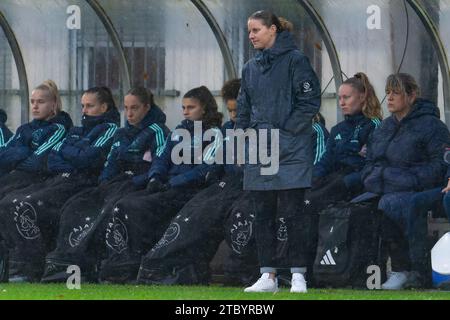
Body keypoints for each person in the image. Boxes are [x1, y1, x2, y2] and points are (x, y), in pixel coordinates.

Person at [41, 87, 169, 283]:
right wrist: (103, 182)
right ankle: (65, 261)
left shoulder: (158, 131)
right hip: (113, 184)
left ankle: (106, 265)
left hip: (137, 185)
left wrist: (146, 179)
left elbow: (159, 161)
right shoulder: (122, 132)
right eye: (126, 108)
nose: (130, 113)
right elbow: (110, 163)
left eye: (134, 108)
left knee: (110, 210)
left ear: (147, 107)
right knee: (75, 205)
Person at [99, 86, 223, 283]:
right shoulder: (178, 131)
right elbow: (162, 158)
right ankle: (123, 263)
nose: (185, 112)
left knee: (134, 207)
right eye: (183, 107)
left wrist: (175, 182)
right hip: (167, 187)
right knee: (123, 204)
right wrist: (156, 177)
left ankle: (135, 264)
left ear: (205, 109)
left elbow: (205, 169)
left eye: (191, 107)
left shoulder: (215, 134)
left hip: (190, 192)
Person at [236, 10, 321, 293]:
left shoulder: (297, 61)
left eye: (256, 30)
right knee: (262, 213)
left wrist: (284, 134)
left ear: (273, 30)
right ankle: (267, 276)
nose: (251, 36)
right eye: (249, 31)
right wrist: (245, 137)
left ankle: (298, 275)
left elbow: (309, 102)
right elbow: (243, 107)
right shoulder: (250, 68)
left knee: (293, 212)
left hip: (291, 149)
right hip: (260, 148)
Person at [0, 86, 120, 282]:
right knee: (10, 202)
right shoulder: (74, 130)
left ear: (104, 107)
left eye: (89, 106)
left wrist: (71, 155)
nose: (84, 110)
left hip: (78, 182)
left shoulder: (106, 129)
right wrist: (23, 154)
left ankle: (29, 264)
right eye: (82, 106)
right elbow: (54, 158)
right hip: (57, 177)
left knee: (20, 204)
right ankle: (17, 264)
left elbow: (85, 159)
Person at [361, 73, 450, 290]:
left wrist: (404, 179)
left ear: (412, 96)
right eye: (388, 92)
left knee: (393, 204)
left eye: (396, 92)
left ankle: (412, 270)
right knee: (357, 206)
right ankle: (361, 271)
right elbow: (370, 162)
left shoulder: (432, 126)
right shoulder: (384, 127)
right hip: (384, 188)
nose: (389, 98)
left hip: (420, 189)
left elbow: (439, 167)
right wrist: (373, 179)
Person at [0, 80, 72, 198]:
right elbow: (3, 153)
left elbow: (37, 163)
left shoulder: (57, 129)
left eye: (40, 102)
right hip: (14, 176)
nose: (35, 106)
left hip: (36, 181)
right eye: (32, 102)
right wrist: (24, 152)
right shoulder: (24, 129)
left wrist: (14, 162)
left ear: (53, 105)